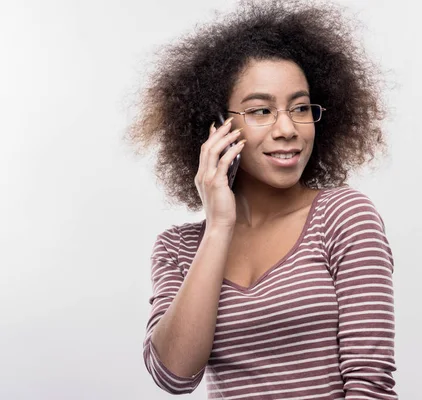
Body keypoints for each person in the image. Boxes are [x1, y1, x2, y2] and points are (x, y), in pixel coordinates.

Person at [125, 0, 397, 398]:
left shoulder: (344, 217)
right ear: (218, 126)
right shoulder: (178, 249)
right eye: (261, 110)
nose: (287, 128)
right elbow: (175, 377)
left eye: (300, 107)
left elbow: (370, 385)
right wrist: (218, 227)